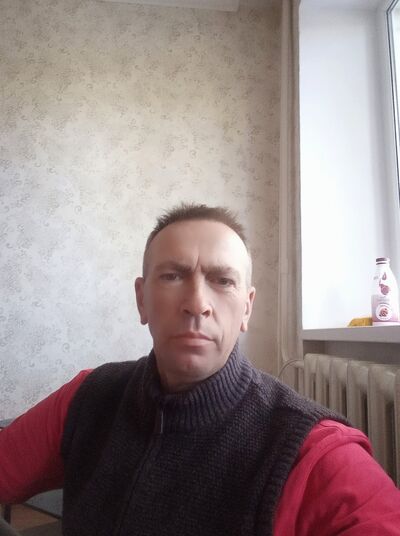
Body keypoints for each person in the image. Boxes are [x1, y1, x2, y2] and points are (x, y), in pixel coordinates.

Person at [0, 203, 399, 536]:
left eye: (223, 281)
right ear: (142, 300)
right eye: (172, 276)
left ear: (247, 307)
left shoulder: (313, 452)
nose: (197, 303)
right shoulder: (88, 396)